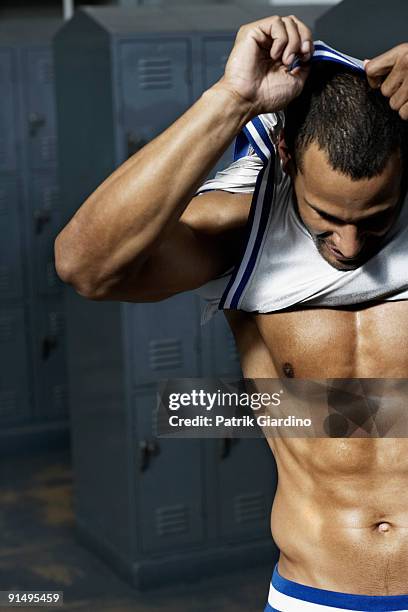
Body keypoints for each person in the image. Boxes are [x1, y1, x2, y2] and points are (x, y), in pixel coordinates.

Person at [54, 14, 408, 611]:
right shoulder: (246, 223)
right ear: (290, 158)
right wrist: (231, 100)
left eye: (373, 219)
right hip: (318, 592)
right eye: (326, 217)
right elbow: (85, 266)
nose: (349, 247)